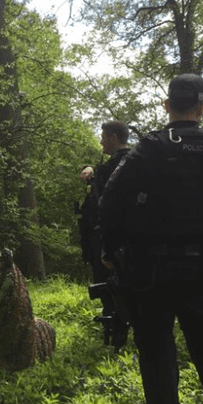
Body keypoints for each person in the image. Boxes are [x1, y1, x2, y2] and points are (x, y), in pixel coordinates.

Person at [99, 74, 203, 404]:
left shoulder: (152, 146)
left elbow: (110, 199)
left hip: (150, 267)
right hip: (200, 264)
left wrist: (111, 247)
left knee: (155, 344)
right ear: (201, 106)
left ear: (167, 106)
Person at [80, 121, 131, 350]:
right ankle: (112, 327)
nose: (100, 142)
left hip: (113, 238)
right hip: (104, 236)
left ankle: (118, 334)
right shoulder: (116, 163)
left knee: (115, 285)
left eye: (103, 137)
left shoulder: (125, 163)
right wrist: (91, 168)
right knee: (107, 284)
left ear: (112, 137)